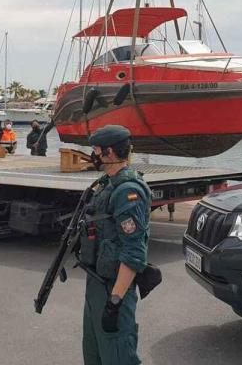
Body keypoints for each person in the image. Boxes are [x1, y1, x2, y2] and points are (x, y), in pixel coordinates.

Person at [78, 124, 150, 365]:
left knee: (118, 356)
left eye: (97, 151)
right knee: (94, 354)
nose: (94, 156)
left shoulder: (127, 191)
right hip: (97, 285)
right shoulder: (107, 184)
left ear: (109, 153)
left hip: (113, 290)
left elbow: (134, 252)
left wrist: (115, 302)